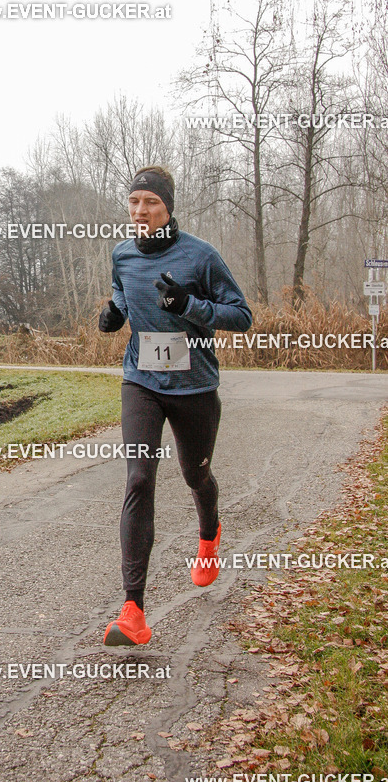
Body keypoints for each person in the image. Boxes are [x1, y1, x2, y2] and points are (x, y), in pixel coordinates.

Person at [99, 165, 252, 646]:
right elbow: (125, 297)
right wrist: (113, 314)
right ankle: (133, 611)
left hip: (195, 387)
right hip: (140, 380)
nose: (141, 211)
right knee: (140, 478)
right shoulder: (122, 255)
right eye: (135, 202)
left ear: (168, 208)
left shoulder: (201, 256)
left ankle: (209, 536)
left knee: (195, 474)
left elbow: (242, 316)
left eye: (152, 203)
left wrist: (190, 306)